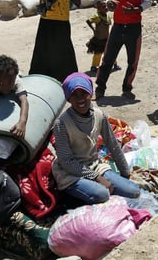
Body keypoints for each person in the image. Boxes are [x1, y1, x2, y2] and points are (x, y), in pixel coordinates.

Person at [52, 72, 140, 205]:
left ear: (91, 93)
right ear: (68, 98)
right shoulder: (62, 124)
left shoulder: (99, 115)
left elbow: (113, 145)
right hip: (70, 173)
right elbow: (66, 161)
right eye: (74, 95)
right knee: (102, 194)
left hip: (94, 165)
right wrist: (96, 178)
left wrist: (126, 174)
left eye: (84, 94)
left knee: (133, 191)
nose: (80, 99)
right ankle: (70, 197)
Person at [94, 0, 152, 101]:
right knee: (108, 58)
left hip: (133, 27)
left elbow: (148, 1)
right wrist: (108, 4)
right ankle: (100, 88)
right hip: (118, 26)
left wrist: (135, 9)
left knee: (132, 61)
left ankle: (127, 88)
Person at [85, 0, 120, 73]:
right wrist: (93, 29)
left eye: (106, 6)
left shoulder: (107, 16)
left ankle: (115, 64)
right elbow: (88, 21)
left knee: (111, 52)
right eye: (103, 7)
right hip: (99, 39)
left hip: (107, 38)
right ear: (99, 9)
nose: (106, 8)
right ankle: (94, 66)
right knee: (98, 53)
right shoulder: (97, 16)